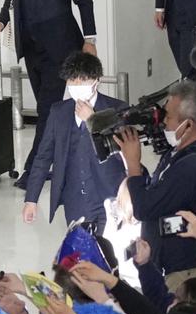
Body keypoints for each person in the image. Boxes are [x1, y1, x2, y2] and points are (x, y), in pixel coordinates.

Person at [0, 0, 97, 183]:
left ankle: (34, 170)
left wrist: (90, 40)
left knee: (47, 109)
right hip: (31, 49)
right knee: (49, 108)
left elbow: (84, 1)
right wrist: (1, 23)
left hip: (61, 49)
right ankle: (63, 159)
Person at [115, 80, 196, 289]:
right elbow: (157, 194)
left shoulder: (193, 165)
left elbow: (145, 208)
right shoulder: (177, 155)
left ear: (188, 124)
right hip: (171, 267)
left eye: (169, 117)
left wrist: (133, 165)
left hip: (185, 274)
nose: (163, 122)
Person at [22, 52, 127, 227]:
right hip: (75, 201)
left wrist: (92, 120)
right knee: (79, 243)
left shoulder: (117, 109)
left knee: (108, 244)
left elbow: (122, 155)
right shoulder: (59, 112)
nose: (77, 85)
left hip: (110, 197)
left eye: (83, 80)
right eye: (72, 80)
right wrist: (31, 199)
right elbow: (43, 157)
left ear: (96, 81)